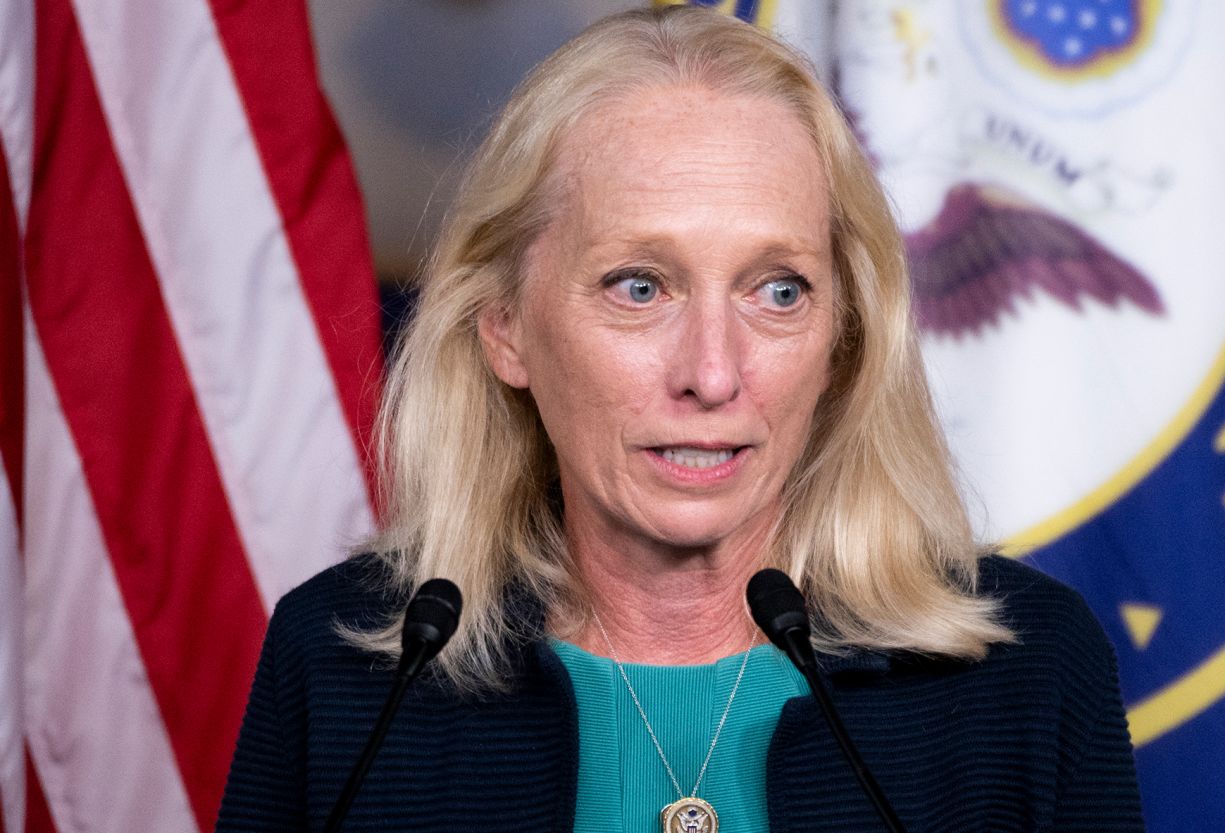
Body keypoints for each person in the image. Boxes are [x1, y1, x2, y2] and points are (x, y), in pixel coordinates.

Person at [216, 7, 1144, 833]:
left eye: (778, 291)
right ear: (506, 330)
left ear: (843, 337)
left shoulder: (1026, 679)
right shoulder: (347, 676)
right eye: (640, 286)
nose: (712, 372)